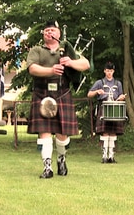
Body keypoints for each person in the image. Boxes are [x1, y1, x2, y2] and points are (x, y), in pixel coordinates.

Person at [27, 20, 90, 179]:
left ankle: (61, 159)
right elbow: (32, 68)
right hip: (42, 93)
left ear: (59, 33)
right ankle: (47, 167)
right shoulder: (37, 50)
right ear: (43, 34)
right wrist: (51, 70)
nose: (50, 33)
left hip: (63, 93)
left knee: (63, 134)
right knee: (44, 132)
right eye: (47, 30)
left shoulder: (67, 49)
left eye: (53, 30)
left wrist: (71, 62)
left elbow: (86, 64)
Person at [87, 61, 126, 163]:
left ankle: (111, 157)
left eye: (111, 71)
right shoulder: (100, 82)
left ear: (113, 71)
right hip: (103, 108)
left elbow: (121, 96)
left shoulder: (118, 83)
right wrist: (97, 92)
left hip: (115, 108)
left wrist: (121, 97)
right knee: (105, 132)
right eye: (108, 71)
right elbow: (89, 94)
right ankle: (104, 156)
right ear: (104, 71)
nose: (109, 73)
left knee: (113, 132)